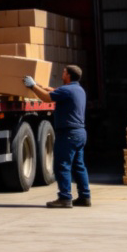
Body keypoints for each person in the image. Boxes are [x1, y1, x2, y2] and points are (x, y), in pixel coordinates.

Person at [24, 65, 91, 208]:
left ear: (68, 75)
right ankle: (85, 197)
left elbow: (47, 98)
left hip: (68, 134)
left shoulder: (67, 90)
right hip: (79, 133)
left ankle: (65, 198)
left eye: (64, 72)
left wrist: (32, 86)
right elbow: (54, 91)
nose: (62, 74)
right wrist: (40, 86)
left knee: (62, 165)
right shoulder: (78, 90)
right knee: (79, 166)